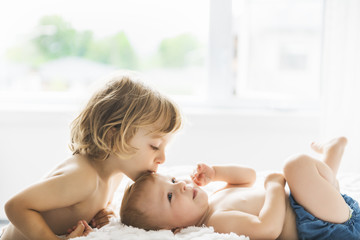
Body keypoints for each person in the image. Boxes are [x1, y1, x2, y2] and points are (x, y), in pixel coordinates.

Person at [2, 71, 182, 240]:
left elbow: (79, 207)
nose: (163, 159)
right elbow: (15, 206)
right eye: (155, 146)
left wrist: (103, 213)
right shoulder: (83, 178)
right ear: (114, 136)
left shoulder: (116, 174)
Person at [120, 137, 360, 240]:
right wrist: (275, 186)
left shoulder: (216, 197)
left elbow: (248, 177)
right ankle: (333, 153)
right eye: (170, 196)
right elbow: (268, 229)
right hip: (324, 228)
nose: (181, 185)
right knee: (295, 165)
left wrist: (216, 173)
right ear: (173, 229)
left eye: (173, 180)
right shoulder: (216, 221)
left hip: (321, 208)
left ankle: (333, 151)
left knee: (305, 179)